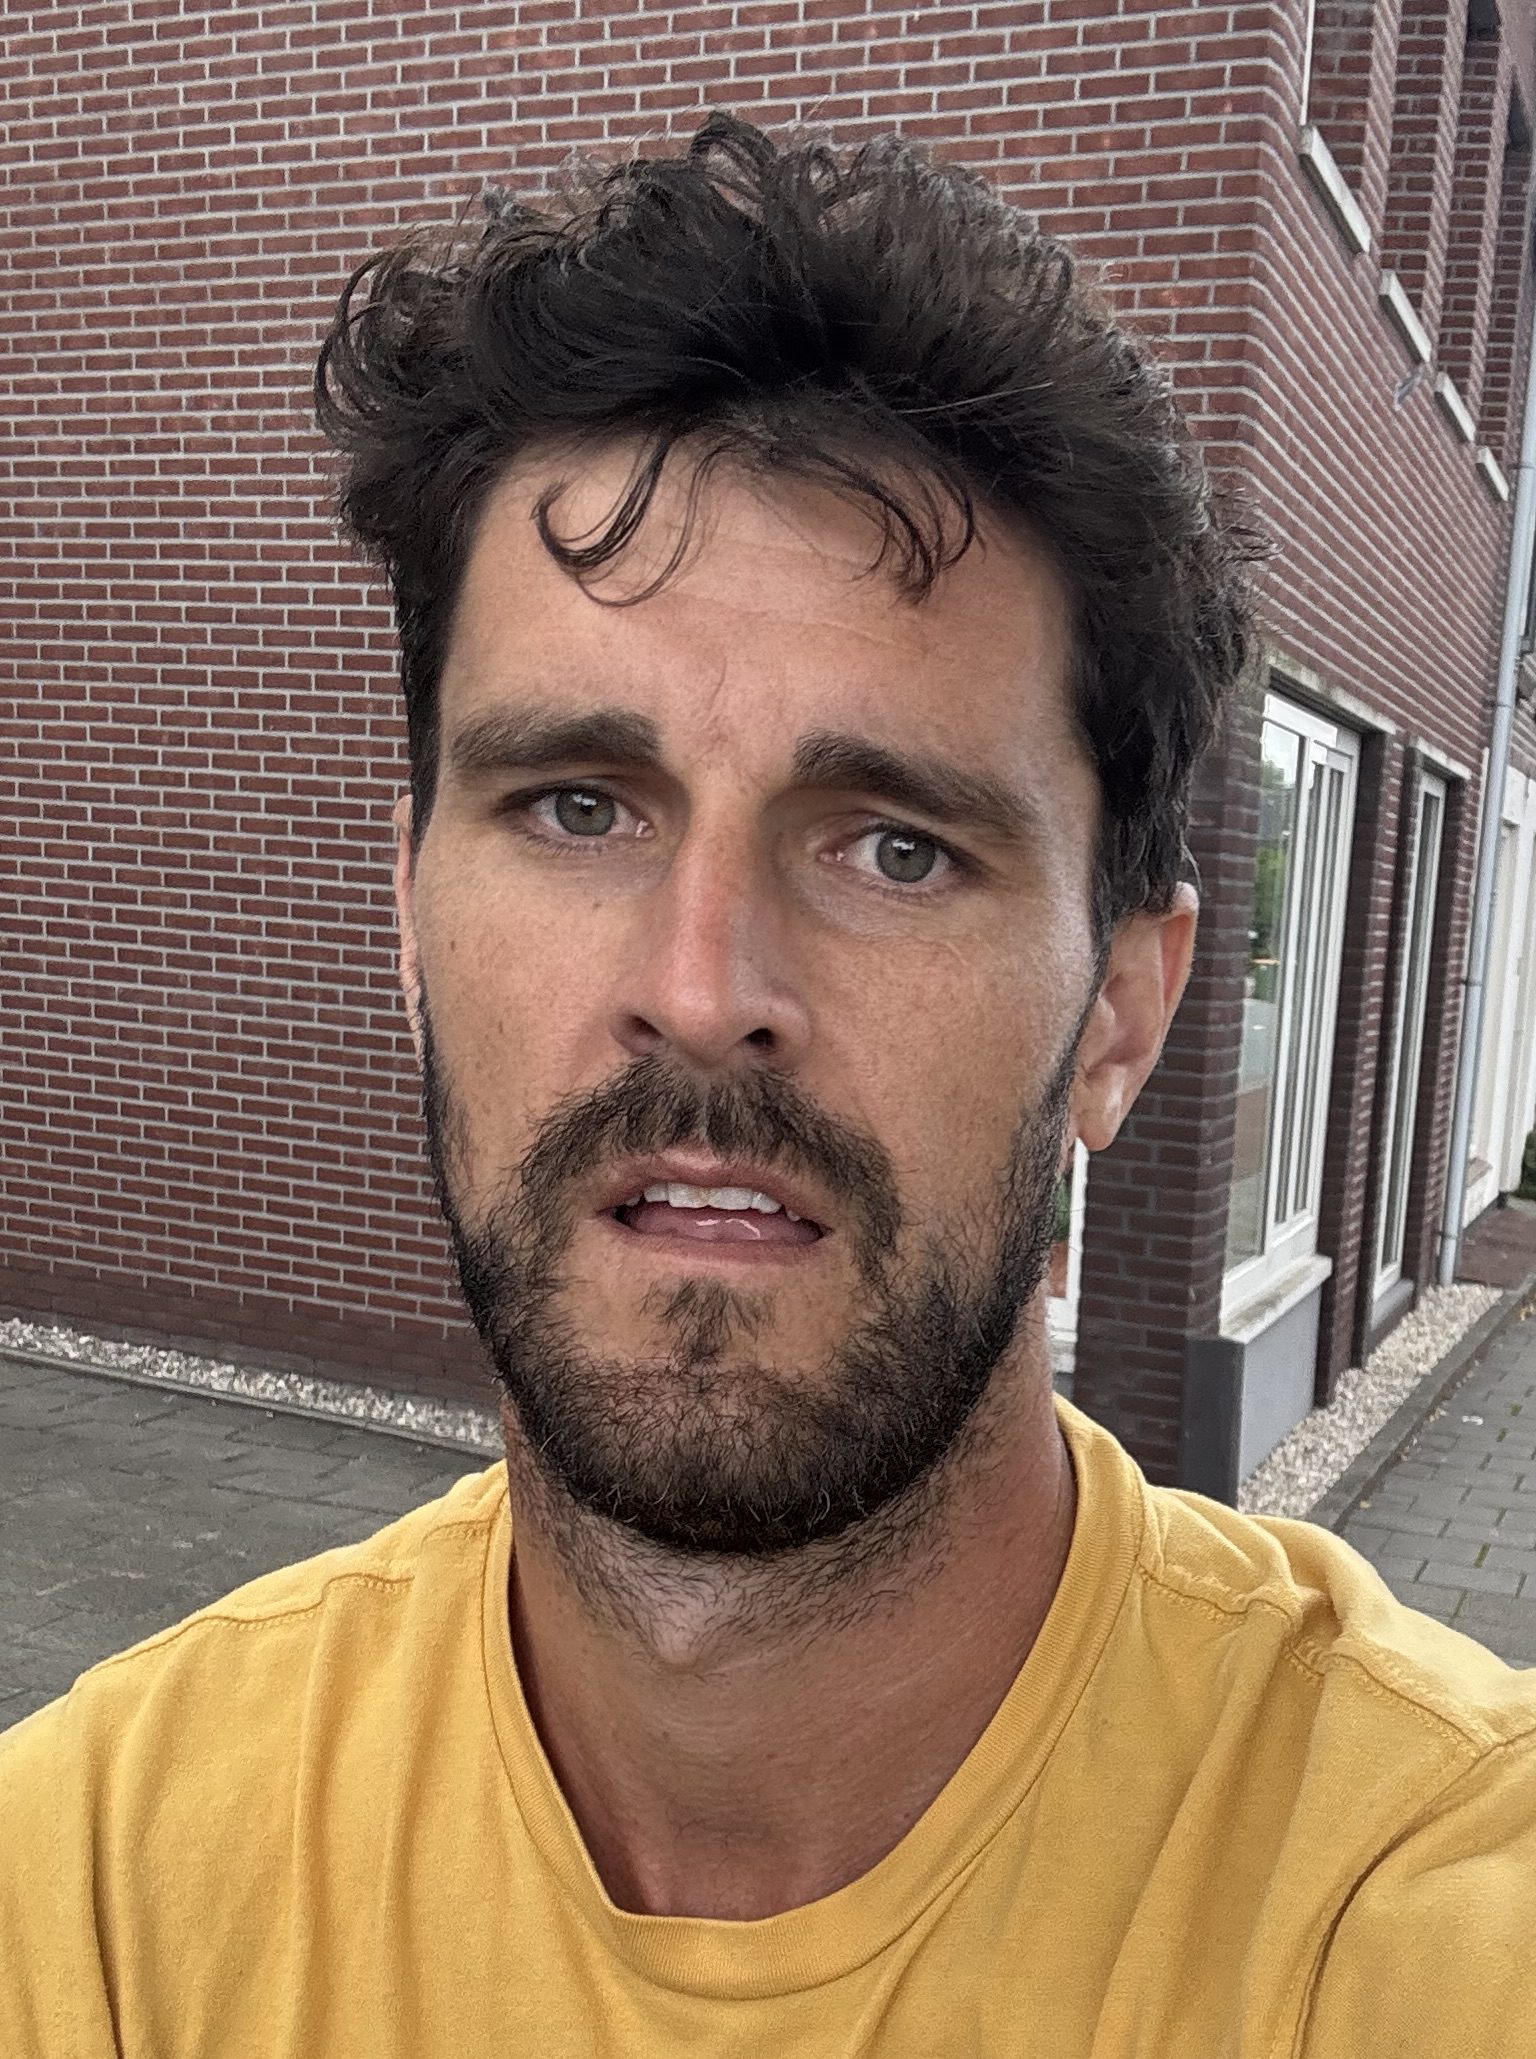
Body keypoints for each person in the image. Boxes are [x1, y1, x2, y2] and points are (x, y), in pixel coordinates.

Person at [3, 110, 1534, 2057]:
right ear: (408, 915)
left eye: (895, 846)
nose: (701, 989)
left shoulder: (1422, 1917)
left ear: (1124, 1013)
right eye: (578, 806)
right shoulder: (104, 1888)